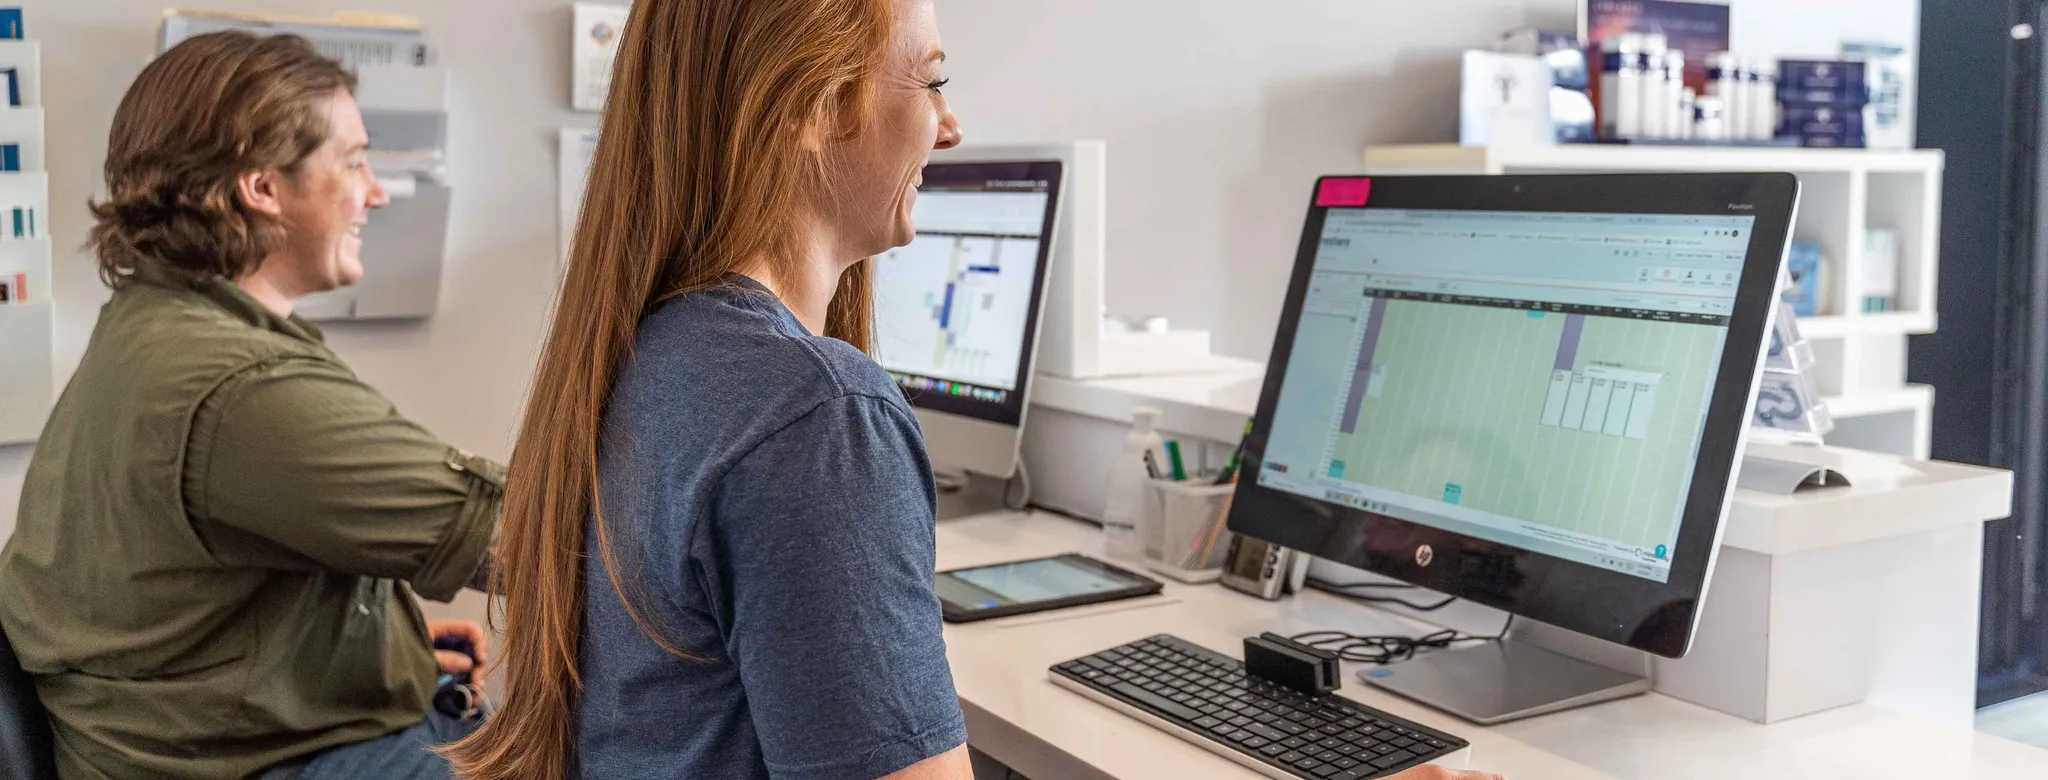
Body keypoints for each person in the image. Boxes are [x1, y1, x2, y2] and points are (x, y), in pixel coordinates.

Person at [447, 1, 1506, 779]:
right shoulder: (813, 413)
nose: (951, 129)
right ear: (815, 106)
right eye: (935, 82)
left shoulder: (653, 351)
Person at [0, 32, 501, 780]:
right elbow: (526, 542)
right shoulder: (242, 388)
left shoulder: (152, 327)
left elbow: (177, 591)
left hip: (195, 737)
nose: (376, 192)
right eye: (354, 161)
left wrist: (374, 645)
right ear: (262, 187)